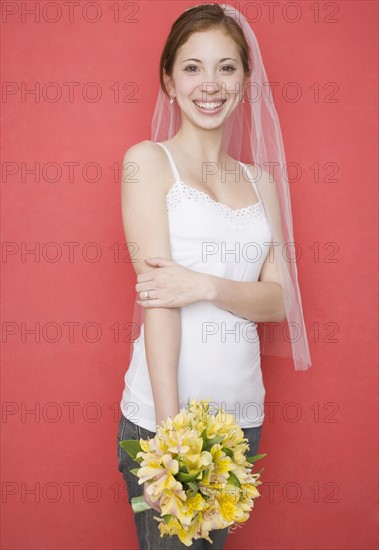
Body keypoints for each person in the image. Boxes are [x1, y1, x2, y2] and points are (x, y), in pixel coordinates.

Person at [117, 3, 312, 549]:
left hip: (240, 419)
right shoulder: (147, 163)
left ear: (245, 80)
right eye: (193, 67)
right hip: (165, 421)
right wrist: (170, 441)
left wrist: (202, 284)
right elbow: (159, 302)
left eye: (227, 67)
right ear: (169, 80)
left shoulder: (260, 182)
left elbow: (278, 303)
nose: (211, 83)